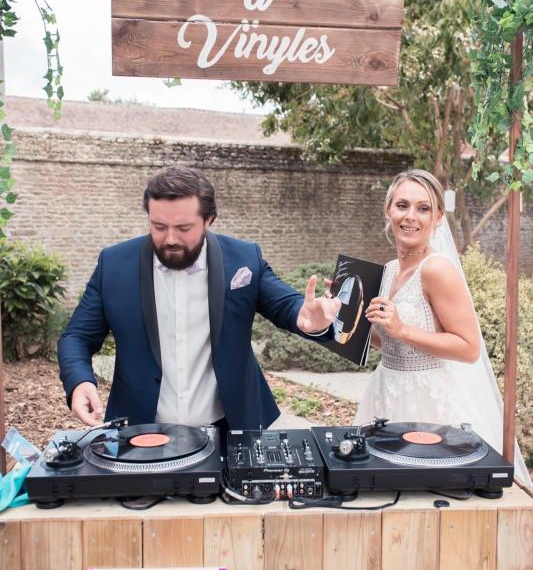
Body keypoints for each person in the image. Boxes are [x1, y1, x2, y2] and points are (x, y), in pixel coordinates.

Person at [58, 165, 340, 430]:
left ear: (208, 220)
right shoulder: (114, 265)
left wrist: (306, 319)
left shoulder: (243, 259)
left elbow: (286, 305)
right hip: (141, 429)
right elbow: (77, 336)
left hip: (230, 428)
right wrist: (79, 381)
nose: (170, 239)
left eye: (183, 228)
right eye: (158, 226)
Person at [352, 168, 530, 483]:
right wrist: (344, 316)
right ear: (388, 210)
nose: (411, 216)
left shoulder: (436, 269)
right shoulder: (391, 269)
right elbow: (391, 341)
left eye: (424, 209)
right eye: (402, 205)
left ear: (437, 218)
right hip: (384, 393)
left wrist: (403, 329)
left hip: (428, 405)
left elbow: (468, 347)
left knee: (423, 493)